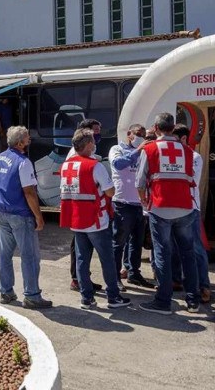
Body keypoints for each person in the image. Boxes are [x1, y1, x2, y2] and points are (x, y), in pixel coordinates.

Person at [136, 113, 200, 315]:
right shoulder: (187, 151)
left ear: (156, 128)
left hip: (160, 207)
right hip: (185, 207)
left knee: (162, 253)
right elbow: (190, 177)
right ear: (173, 128)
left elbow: (139, 182)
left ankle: (163, 302)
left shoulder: (150, 149)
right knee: (188, 254)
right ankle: (193, 300)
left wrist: (144, 200)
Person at [61, 128, 130, 309]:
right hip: (96, 220)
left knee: (82, 260)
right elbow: (109, 191)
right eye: (93, 141)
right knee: (107, 259)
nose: (95, 144)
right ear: (88, 144)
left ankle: (87, 298)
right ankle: (113, 297)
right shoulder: (94, 166)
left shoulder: (66, 165)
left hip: (76, 220)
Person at [0, 126, 52, 309]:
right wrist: (39, 217)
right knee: (30, 256)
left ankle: (6, 292)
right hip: (19, 215)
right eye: (27, 138)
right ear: (19, 143)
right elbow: (29, 192)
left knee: (5, 254)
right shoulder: (23, 162)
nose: (30, 140)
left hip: (0, 212)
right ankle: (32, 296)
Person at [109, 123, 154, 289]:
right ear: (129, 134)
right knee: (118, 242)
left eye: (145, 135)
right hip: (122, 203)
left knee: (136, 242)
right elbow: (118, 164)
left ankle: (134, 273)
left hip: (139, 204)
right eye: (138, 134)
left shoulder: (144, 152)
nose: (142, 137)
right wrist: (138, 150)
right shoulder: (117, 149)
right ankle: (114, 278)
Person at [174, 124, 212, 303]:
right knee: (173, 247)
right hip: (171, 207)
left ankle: (203, 285)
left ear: (183, 139)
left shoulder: (195, 157)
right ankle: (177, 281)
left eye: (173, 140)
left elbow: (190, 181)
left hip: (190, 208)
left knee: (196, 248)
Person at [68, 118, 104, 292]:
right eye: (95, 131)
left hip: (83, 208)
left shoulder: (88, 154)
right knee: (79, 249)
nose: (98, 134)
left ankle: (83, 280)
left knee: (82, 249)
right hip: (81, 209)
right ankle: (78, 280)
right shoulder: (76, 155)